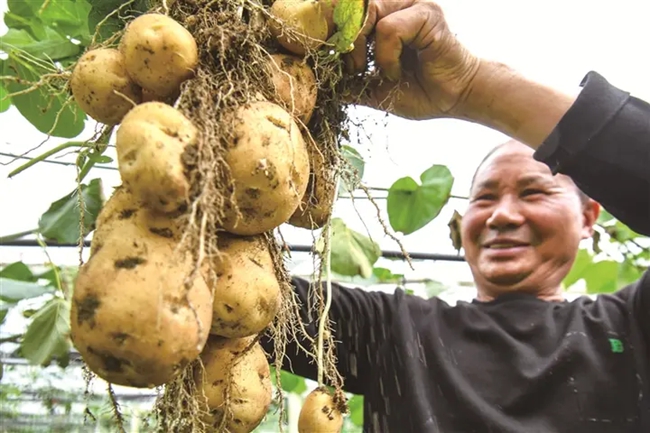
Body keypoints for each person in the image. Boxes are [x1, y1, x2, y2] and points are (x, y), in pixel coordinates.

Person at [262, 1, 650, 432]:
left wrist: (471, 87)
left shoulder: (633, 329)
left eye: (533, 192)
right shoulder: (392, 332)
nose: (502, 215)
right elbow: (232, 288)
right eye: (483, 198)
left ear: (588, 217)